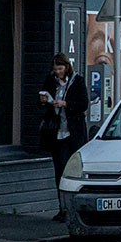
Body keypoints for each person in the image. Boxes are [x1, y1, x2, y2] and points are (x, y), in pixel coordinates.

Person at [40, 52, 88, 221]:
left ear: (67, 67)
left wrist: (65, 104)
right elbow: (40, 102)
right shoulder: (50, 80)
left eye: (60, 69)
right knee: (59, 170)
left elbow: (83, 104)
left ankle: (74, 207)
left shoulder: (77, 81)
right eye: (55, 69)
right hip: (56, 132)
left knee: (71, 170)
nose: (58, 72)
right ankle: (62, 208)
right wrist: (44, 100)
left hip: (72, 133)